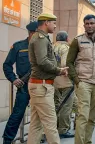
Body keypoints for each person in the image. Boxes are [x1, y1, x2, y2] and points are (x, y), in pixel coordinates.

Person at [66, 14, 95, 144]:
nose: (89, 25)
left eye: (92, 23)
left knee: (92, 117)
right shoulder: (78, 41)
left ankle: (87, 141)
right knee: (83, 116)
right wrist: (77, 81)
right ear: (84, 25)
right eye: (87, 23)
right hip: (84, 83)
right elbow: (69, 62)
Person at [27, 13, 68, 144]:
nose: (55, 26)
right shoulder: (40, 38)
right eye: (53, 23)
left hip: (40, 85)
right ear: (46, 22)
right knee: (50, 124)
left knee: (36, 125)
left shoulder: (41, 38)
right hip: (42, 87)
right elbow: (42, 61)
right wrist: (59, 70)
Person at [2, 22, 37, 144]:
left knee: (42, 114)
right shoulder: (18, 46)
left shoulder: (44, 46)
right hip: (24, 85)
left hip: (40, 85)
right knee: (17, 113)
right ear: (31, 33)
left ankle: (38, 138)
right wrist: (14, 79)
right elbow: (7, 65)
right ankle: (7, 140)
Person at [53, 31, 74, 138]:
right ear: (66, 39)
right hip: (66, 81)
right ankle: (63, 130)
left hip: (53, 81)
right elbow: (65, 64)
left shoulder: (51, 47)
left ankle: (54, 128)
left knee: (55, 105)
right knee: (66, 106)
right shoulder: (66, 48)